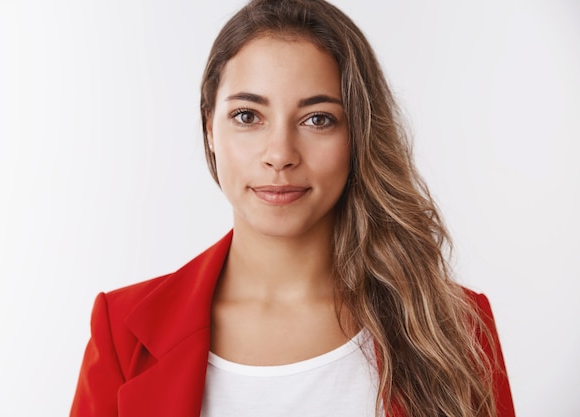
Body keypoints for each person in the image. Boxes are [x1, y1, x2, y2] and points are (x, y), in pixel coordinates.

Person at [70, 0, 515, 416]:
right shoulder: (123, 329)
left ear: (357, 134)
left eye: (317, 119)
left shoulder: (454, 327)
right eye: (248, 115)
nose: (280, 153)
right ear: (209, 128)